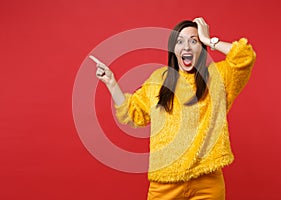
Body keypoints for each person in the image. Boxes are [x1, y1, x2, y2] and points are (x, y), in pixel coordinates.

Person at [94, 17, 256, 200]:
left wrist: (209, 40)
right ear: (174, 50)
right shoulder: (159, 80)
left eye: (193, 41)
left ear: (201, 48)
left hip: (207, 182)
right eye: (180, 42)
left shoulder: (217, 77)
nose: (186, 47)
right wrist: (111, 82)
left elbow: (244, 56)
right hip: (165, 183)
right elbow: (133, 114)